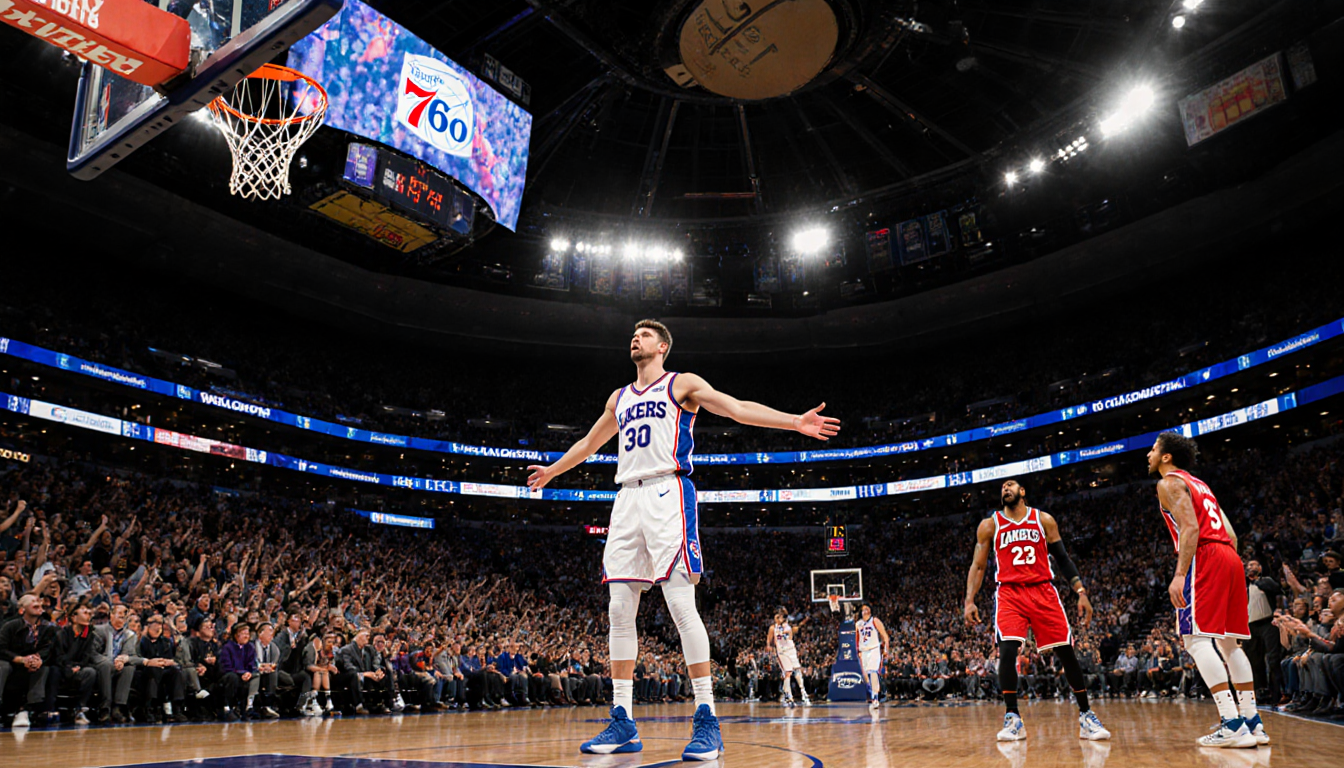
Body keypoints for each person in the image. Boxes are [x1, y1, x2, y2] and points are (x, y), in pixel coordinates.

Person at [527, 319, 839, 761]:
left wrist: (794, 422)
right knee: (619, 609)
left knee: (679, 604)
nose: (636, 338)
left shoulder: (681, 384)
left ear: (663, 348)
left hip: (666, 492)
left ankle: (707, 718)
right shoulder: (618, 397)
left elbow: (735, 408)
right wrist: (553, 470)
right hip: (626, 498)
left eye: (645, 335)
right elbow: (590, 442)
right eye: (634, 334)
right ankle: (622, 719)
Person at [964, 479, 1111, 742]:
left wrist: (1081, 592)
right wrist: (969, 600)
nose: (1005, 489)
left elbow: (1063, 559)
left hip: (1043, 589)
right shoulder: (990, 525)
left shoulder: (1044, 520)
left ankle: (1086, 715)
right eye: (1002, 487)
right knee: (1007, 650)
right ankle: (1012, 718)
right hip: (1009, 592)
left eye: (1011, 485)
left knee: (1066, 652)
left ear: (1022, 491)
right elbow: (978, 565)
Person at [1149, 432, 1266, 747]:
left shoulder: (1168, 483)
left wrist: (1180, 574)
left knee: (1196, 640)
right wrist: (1226, 563)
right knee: (1229, 644)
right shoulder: (1201, 485)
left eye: (1153, 449)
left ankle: (1232, 723)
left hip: (1205, 556)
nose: (1148, 454)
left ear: (1166, 457)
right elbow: (1231, 533)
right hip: (1230, 556)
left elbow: (1190, 527)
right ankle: (1253, 722)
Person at [766, 609, 809, 707]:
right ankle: (789, 697)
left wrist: (803, 622)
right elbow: (769, 641)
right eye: (778, 616)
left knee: (797, 672)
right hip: (782, 652)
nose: (778, 618)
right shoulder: (773, 628)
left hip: (791, 650)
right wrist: (770, 648)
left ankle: (804, 694)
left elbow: (794, 630)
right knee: (788, 673)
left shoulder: (789, 625)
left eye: (780, 616)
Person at [856, 604, 890, 711]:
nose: (865, 610)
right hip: (864, 651)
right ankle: (872, 694)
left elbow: (885, 636)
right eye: (863, 609)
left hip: (874, 649)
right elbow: (856, 639)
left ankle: (875, 698)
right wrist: (858, 651)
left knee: (873, 672)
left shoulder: (875, 620)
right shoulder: (858, 624)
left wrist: (886, 650)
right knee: (866, 676)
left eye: (867, 608)